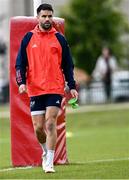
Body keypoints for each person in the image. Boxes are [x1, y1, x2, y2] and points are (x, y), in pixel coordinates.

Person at [15, 3, 78, 173]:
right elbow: (20, 64)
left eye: (50, 16)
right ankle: (45, 152)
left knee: (51, 124)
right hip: (35, 89)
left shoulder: (60, 39)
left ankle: (49, 162)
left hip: (54, 88)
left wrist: (71, 85)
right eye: (44, 16)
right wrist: (21, 83)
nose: (47, 19)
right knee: (38, 128)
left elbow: (68, 65)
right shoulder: (28, 38)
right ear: (38, 18)